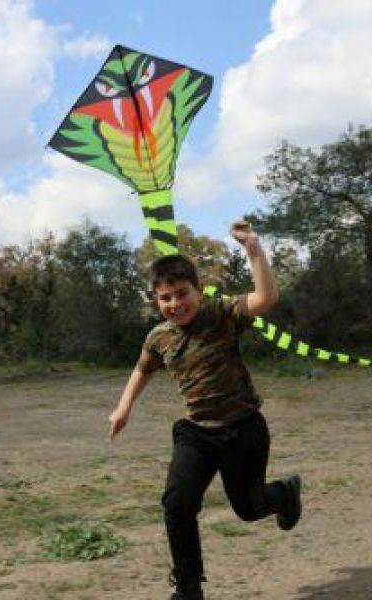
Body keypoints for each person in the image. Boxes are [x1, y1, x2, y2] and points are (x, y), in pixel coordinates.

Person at [107, 221, 302, 600]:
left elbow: (265, 298)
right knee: (177, 504)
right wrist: (122, 408)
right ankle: (189, 588)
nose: (175, 304)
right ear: (156, 300)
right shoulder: (159, 337)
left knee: (249, 508)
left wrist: (253, 250)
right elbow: (142, 369)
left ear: (198, 290)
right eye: (165, 298)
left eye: (182, 294)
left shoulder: (221, 314)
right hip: (198, 433)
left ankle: (283, 494)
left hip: (244, 429)